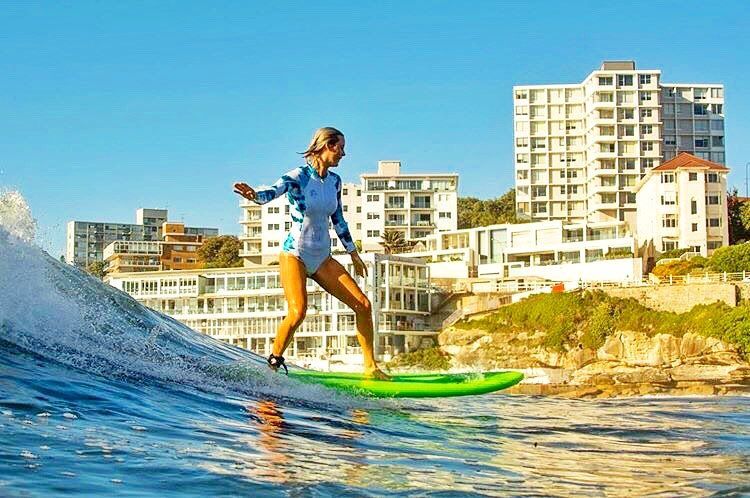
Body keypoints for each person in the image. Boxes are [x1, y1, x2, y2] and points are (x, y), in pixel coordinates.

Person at [233, 127, 389, 379]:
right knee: (298, 312)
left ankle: (371, 367)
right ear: (327, 146)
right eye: (340, 148)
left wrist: (353, 254)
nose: (343, 154)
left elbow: (338, 219)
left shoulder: (335, 181)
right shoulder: (299, 176)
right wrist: (254, 196)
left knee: (363, 305)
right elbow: (270, 193)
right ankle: (273, 365)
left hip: (322, 257)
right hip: (295, 253)